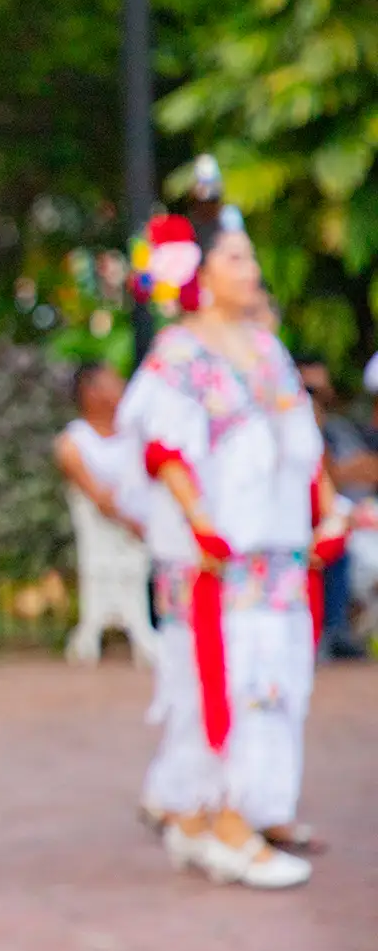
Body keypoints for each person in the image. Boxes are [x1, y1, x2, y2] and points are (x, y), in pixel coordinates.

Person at [118, 206, 323, 888]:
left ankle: (216, 820)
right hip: (215, 556)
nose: (252, 269)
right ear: (198, 271)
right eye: (235, 257)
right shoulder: (179, 353)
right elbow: (162, 447)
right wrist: (200, 520)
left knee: (269, 677)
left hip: (276, 546)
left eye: (249, 256)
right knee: (221, 683)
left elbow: (300, 446)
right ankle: (225, 826)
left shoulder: (266, 348)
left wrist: (326, 513)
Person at [55, 362, 158, 667]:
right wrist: (136, 525)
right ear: (91, 392)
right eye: (112, 382)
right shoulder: (72, 443)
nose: (121, 387)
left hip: (147, 527)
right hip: (113, 534)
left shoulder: (136, 434)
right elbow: (97, 498)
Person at [296, 359, 373, 660]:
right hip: (284, 526)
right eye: (309, 391)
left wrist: (339, 519)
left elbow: (327, 486)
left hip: (317, 524)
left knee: (337, 545)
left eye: (322, 393)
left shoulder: (332, 430)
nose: (317, 400)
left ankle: (334, 631)